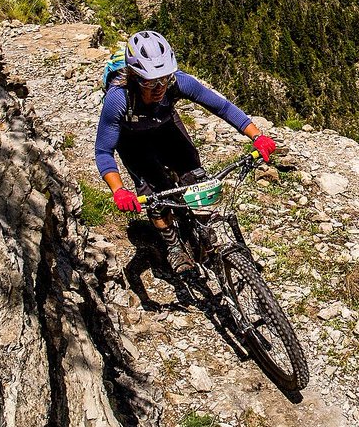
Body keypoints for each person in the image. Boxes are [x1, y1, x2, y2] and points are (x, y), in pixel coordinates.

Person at [94, 30, 275, 273]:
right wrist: (118, 190)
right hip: (132, 138)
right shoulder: (118, 100)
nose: (159, 87)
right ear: (135, 77)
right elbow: (104, 151)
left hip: (165, 125)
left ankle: (200, 228)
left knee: (195, 175)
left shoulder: (178, 82)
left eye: (164, 79)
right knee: (154, 194)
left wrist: (257, 135)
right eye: (150, 81)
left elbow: (221, 106)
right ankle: (173, 246)